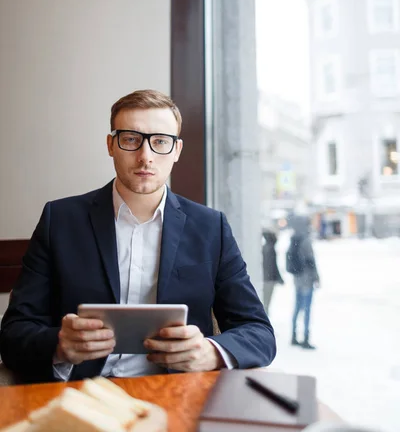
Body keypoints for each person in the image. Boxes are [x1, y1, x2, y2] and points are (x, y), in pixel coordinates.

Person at [0, 89, 276, 382]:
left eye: (160, 142)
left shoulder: (211, 228)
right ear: (111, 145)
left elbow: (259, 333)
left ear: (177, 151)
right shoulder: (61, 220)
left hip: (175, 389)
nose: (146, 157)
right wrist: (59, 345)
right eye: (131, 139)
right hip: (83, 390)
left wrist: (210, 351)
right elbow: (14, 333)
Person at [287, 214, 320, 350]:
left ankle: (294, 336)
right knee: (306, 309)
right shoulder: (306, 240)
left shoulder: (294, 239)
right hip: (307, 279)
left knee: (297, 308)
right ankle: (305, 337)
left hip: (297, 279)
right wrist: (316, 277)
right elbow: (311, 261)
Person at [262, 229, 284, 314]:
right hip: (269, 279)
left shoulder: (265, 247)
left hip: (266, 278)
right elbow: (273, 265)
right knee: (266, 303)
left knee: (265, 302)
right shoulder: (270, 249)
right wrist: (279, 278)